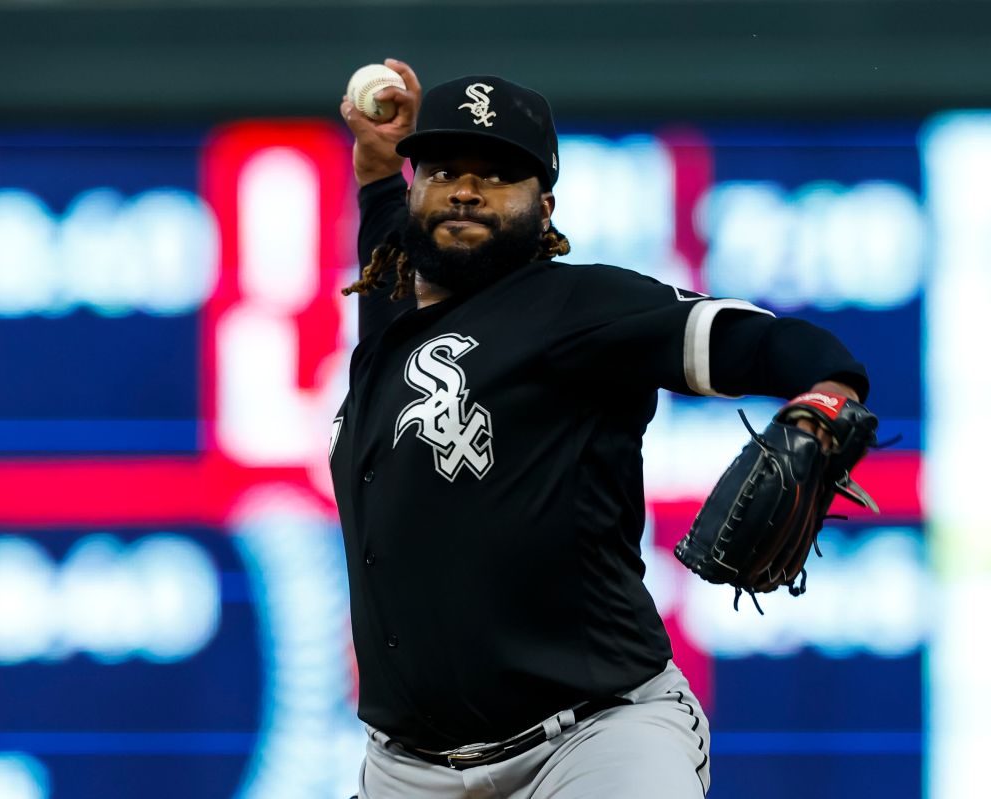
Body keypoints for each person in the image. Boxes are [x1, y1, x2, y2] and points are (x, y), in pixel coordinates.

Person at [332, 59, 868, 798]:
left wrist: (833, 389)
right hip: (406, 770)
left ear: (543, 206)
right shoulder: (395, 317)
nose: (465, 189)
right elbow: (391, 232)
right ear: (417, 184)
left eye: (496, 175)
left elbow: (752, 339)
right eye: (446, 168)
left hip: (592, 741)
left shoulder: (580, 306)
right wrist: (375, 164)